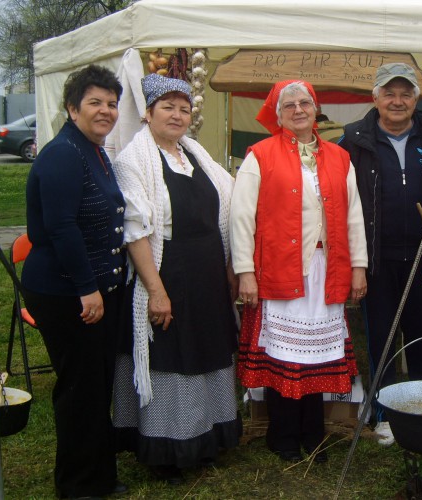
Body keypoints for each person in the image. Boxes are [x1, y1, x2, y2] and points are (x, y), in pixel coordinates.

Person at [110, 74, 240, 483]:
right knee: (173, 356)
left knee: (207, 351)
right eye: (167, 107)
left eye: (184, 109)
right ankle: (168, 447)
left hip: (206, 272)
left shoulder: (196, 154)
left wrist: (230, 269)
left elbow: (228, 207)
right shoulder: (134, 161)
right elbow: (136, 231)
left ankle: (205, 437)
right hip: (166, 272)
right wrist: (156, 291)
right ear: (147, 114)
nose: (177, 115)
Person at [230, 80, 368, 463]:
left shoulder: (339, 158)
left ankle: (313, 432)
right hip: (280, 268)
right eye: (288, 104)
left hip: (327, 268)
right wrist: (245, 271)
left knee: (318, 356)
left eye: (304, 102)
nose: (298, 109)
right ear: (278, 114)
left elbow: (354, 215)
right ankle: (283, 435)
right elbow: (240, 218)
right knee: (285, 356)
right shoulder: (260, 155)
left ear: (316, 109)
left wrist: (359, 266)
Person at [20, 64, 127, 499]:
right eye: (95, 103)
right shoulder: (65, 152)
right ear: (71, 108)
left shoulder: (94, 149)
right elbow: (62, 227)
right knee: (80, 389)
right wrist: (88, 289)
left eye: (112, 103)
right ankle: (78, 486)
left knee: (96, 384)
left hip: (95, 287)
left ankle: (98, 475)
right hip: (66, 291)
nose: (106, 111)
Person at [339, 62, 422, 446]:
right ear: (375, 97)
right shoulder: (353, 140)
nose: (397, 101)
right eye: (390, 93)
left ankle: (420, 406)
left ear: (417, 98)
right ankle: (385, 412)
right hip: (377, 259)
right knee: (382, 335)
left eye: (406, 93)